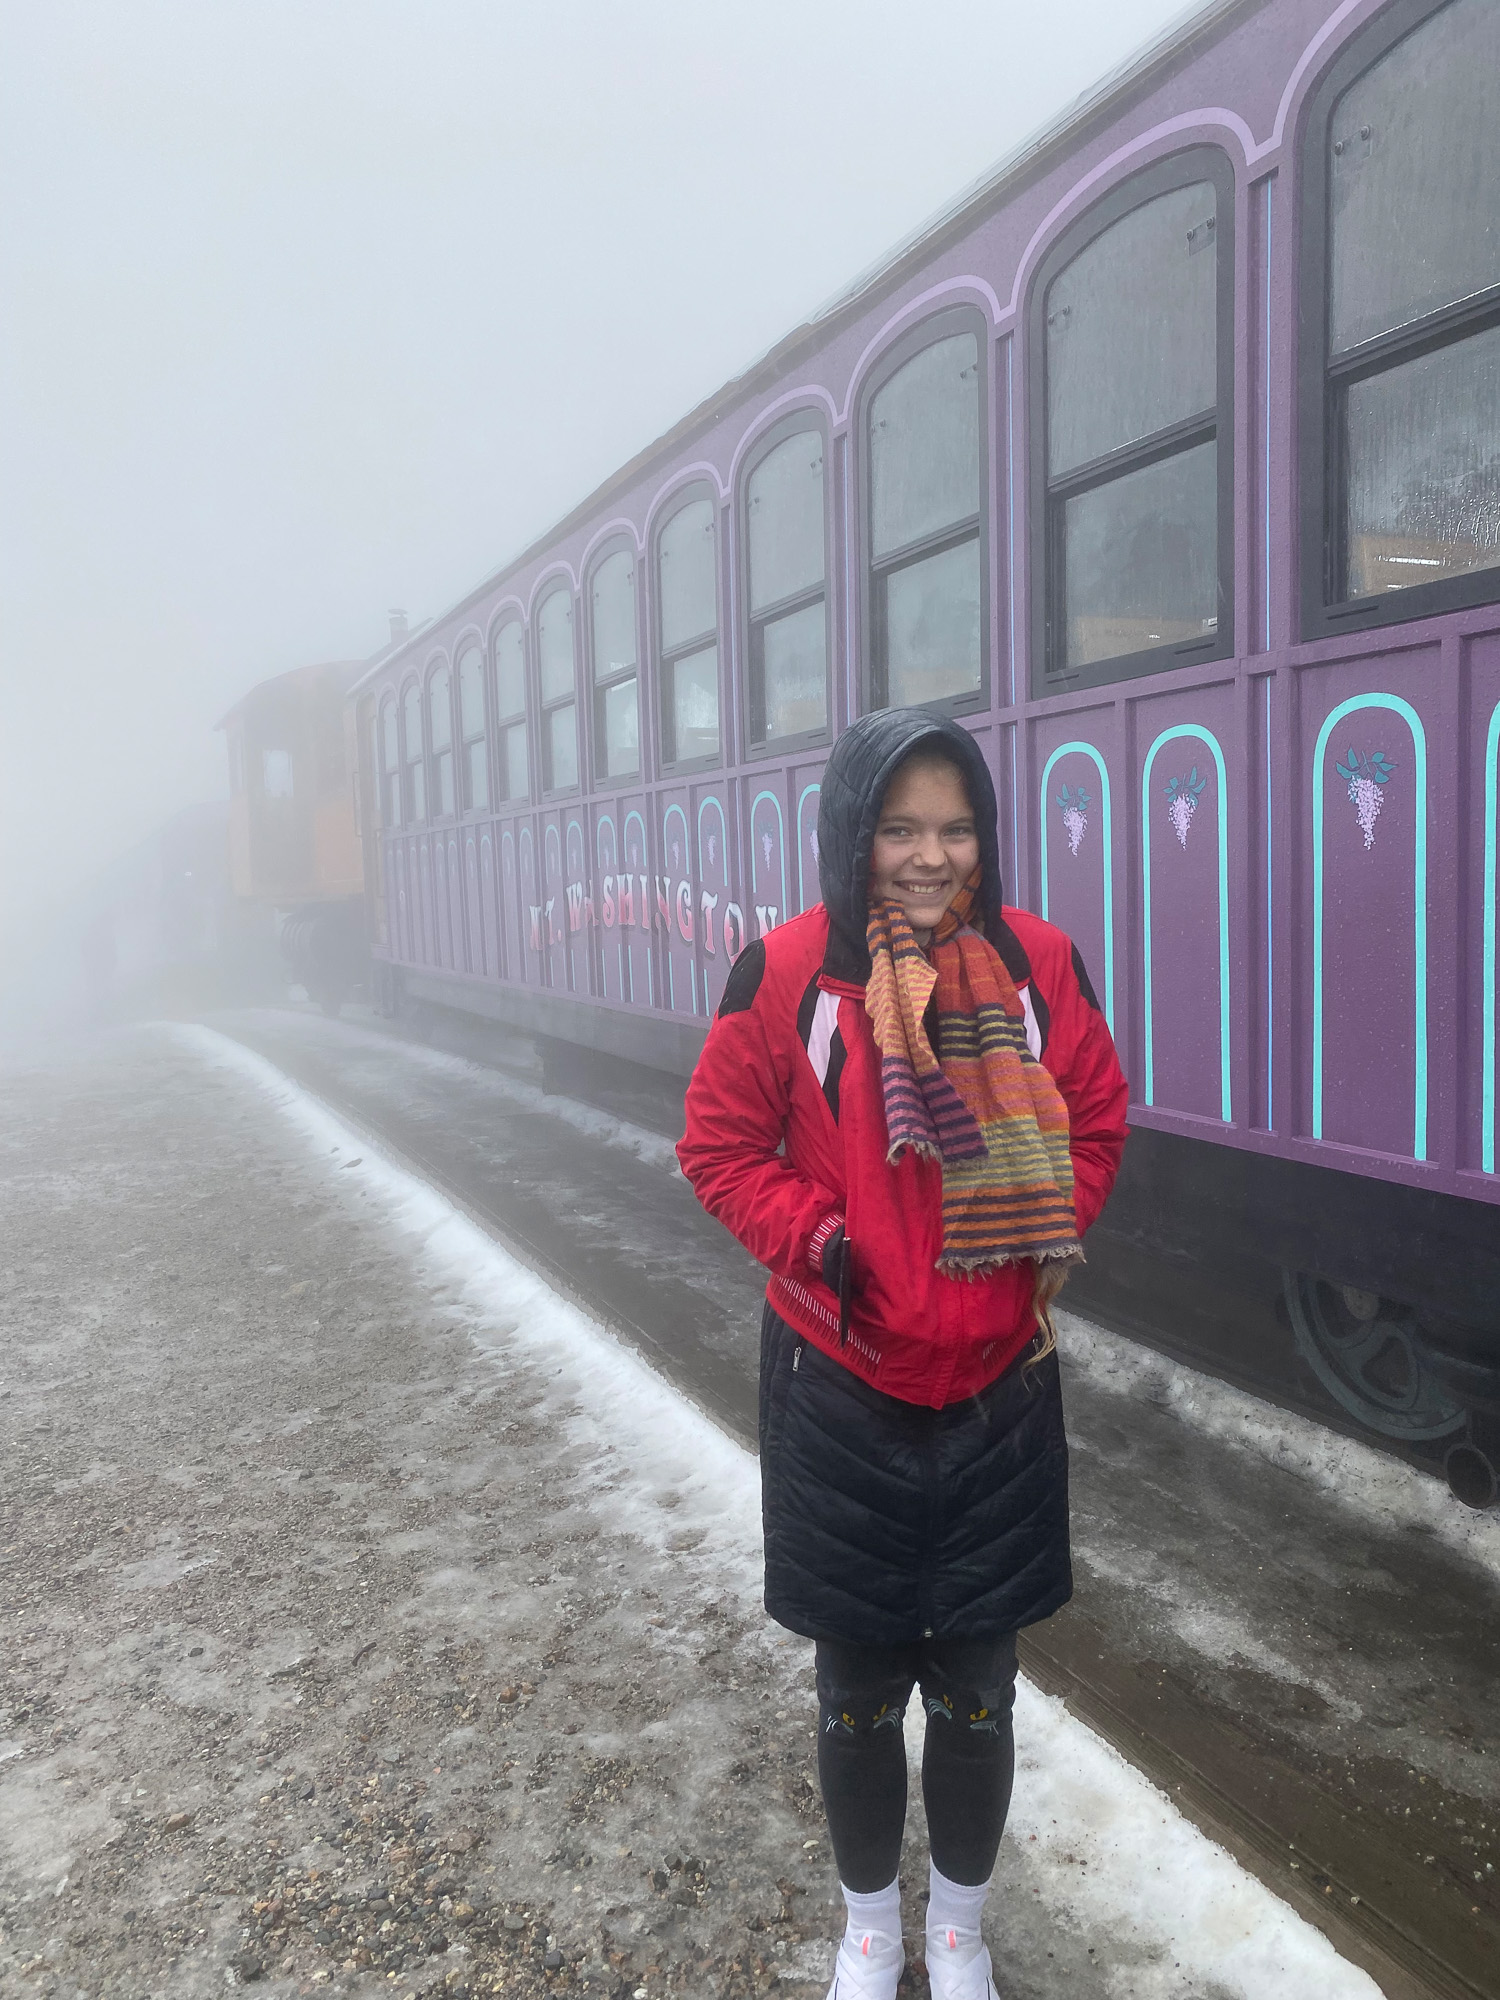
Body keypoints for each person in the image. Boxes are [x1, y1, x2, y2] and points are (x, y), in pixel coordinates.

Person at [677, 708, 1129, 2000]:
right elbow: (717, 1148)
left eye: (954, 827)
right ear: (851, 834)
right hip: (842, 1400)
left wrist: (1045, 1229)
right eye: (899, 828)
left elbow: (1098, 1117)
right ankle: (871, 1928)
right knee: (861, 1694)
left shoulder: (1038, 964)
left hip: (999, 1397)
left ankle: (960, 1933)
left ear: (982, 838)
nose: (930, 857)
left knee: (982, 1693)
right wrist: (817, 1243)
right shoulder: (783, 976)